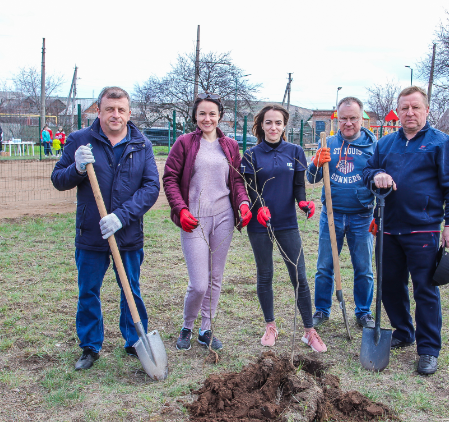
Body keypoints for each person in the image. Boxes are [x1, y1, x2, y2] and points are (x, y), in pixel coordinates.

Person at [51, 86, 160, 370]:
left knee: (130, 288)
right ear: (98, 111)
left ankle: (135, 341)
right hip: (92, 232)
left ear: (129, 113)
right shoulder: (80, 140)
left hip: (127, 233)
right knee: (88, 290)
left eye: (121, 109)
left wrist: (122, 216)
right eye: (109, 109)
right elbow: (58, 179)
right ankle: (90, 347)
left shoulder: (141, 144)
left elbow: (151, 188)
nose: (115, 115)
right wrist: (75, 168)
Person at [362, 86, 449, 375]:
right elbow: (368, 173)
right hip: (387, 229)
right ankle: (403, 331)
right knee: (390, 287)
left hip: (423, 229)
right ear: (398, 111)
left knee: (425, 290)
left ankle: (428, 349)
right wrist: (377, 175)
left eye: (415, 107)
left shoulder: (440, 143)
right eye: (404, 108)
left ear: (426, 110)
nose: (409, 113)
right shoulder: (386, 144)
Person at [163, 93, 250, 352]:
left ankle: (206, 328)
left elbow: (235, 181)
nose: (207, 118)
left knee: (215, 277)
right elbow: (169, 178)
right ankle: (187, 326)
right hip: (194, 218)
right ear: (195, 116)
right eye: (202, 113)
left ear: (220, 116)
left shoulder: (231, 146)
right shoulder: (185, 143)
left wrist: (243, 203)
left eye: (212, 113)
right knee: (199, 282)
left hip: (223, 216)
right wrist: (180, 209)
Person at [241, 104, 327, 352]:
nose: (273, 127)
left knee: (299, 276)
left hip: (287, 223)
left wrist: (303, 203)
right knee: (265, 274)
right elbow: (250, 190)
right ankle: (270, 326)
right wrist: (258, 209)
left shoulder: (295, 151)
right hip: (261, 224)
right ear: (261, 126)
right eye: (268, 122)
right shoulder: (251, 154)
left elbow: (299, 186)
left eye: (278, 123)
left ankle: (309, 331)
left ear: (284, 125)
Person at [307, 97, 378, 330]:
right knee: (324, 266)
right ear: (337, 119)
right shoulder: (327, 143)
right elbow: (311, 178)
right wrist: (315, 163)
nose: (348, 123)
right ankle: (321, 310)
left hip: (362, 216)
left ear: (361, 118)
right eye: (344, 119)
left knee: (364, 268)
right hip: (332, 214)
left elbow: (380, 180)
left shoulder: (373, 146)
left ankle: (363, 312)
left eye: (353, 118)